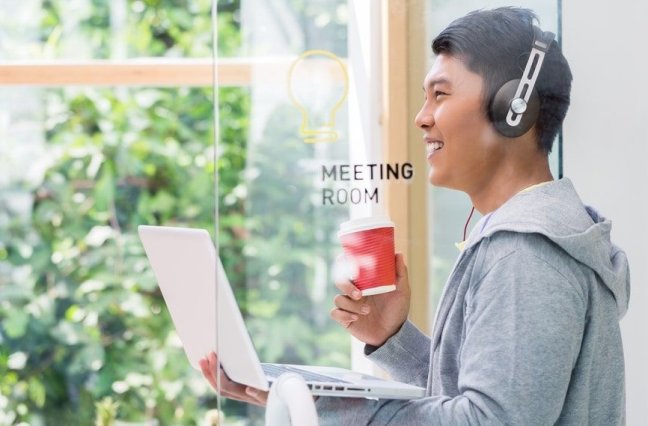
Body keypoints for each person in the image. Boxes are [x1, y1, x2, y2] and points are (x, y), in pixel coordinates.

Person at [200, 7, 630, 425]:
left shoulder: (526, 255)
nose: (421, 118)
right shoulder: (528, 239)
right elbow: (483, 398)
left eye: (440, 95)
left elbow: (488, 421)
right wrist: (393, 339)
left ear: (512, 111)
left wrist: (325, 408)